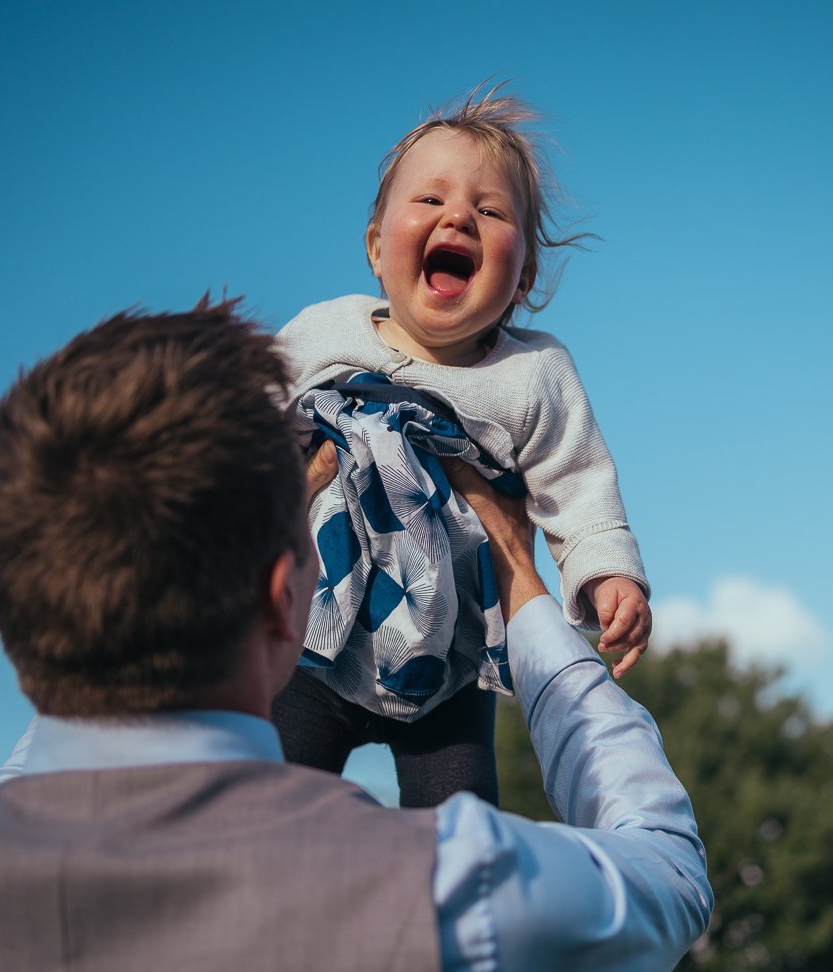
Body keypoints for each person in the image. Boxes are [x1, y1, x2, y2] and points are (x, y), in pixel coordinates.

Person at [0, 300, 711, 972]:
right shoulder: (453, 904)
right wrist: (524, 591)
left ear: (9, 598)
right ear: (281, 592)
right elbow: (669, 872)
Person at [273, 85, 650, 808]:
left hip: (450, 662)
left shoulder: (532, 374)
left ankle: (438, 917)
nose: (458, 217)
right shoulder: (325, 331)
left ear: (524, 278)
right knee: (264, 809)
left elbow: (579, 485)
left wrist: (608, 574)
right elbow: (244, 424)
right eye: (430, 201)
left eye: (490, 210)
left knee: (460, 828)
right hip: (311, 642)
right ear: (378, 248)